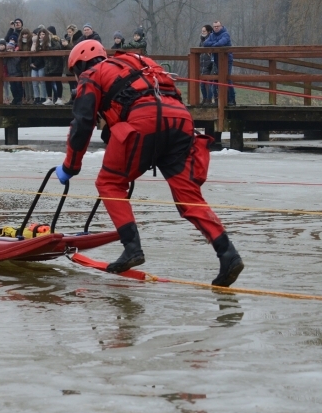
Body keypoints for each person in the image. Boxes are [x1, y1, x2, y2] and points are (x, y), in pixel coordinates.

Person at [54, 40, 244, 287]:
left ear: (80, 65)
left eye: (75, 73)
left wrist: (70, 167)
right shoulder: (138, 64)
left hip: (145, 120)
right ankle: (228, 254)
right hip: (180, 121)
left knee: (109, 182)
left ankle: (132, 249)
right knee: (189, 198)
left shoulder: (91, 74)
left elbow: (82, 125)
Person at [203, 20, 236, 106]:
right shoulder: (211, 35)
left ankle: (231, 99)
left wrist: (213, 44)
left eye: (218, 26)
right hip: (216, 60)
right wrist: (215, 44)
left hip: (227, 60)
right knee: (216, 79)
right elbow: (205, 44)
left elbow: (221, 43)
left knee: (227, 79)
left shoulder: (225, 34)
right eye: (214, 26)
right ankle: (217, 100)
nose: (216, 28)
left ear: (221, 26)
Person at [44, 26, 65, 105]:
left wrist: (48, 48)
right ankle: (49, 98)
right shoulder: (45, 40)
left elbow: (58, 47)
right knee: (47, 81)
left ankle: (59, 98)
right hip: (48, 64)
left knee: (58, 81)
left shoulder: (55, 39)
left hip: (56, 64)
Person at [30, 28, 48, 104]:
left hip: (41, 65)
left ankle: (43, 97)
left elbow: (42, 56)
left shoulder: (46, 43)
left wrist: (35, 64)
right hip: (33, 65)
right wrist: (30, 63)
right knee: (34, 82)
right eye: (40, 34)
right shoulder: (34, 43)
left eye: (43, 34)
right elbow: (30, 54)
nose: (41, 36)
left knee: (42, 82)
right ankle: (36, 97)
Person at [199, 25, 216, 105]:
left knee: (209, 83)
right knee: (202, 84)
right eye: (202, 31)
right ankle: (204, 98)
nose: (202, 33)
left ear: (208, 31)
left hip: (209, 64)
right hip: (202, 65)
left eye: (204, 31)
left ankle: (209, 99)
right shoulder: (201, 41)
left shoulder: (211, 39)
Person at [4, 39, 23, 105]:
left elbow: (17, 62)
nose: (9, 50)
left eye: (10, 49)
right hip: (10, 74)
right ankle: (15, 99)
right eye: (8, 49)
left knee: (18, 87)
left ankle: (19, 99)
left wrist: (13, 55)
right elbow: (4, 63)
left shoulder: (16, 56)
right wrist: (6, 56)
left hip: (17, 73)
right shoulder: (7, 57)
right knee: (12, 88)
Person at [19, 28, 35, 104]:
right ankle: (27, 98)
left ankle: (31, 97)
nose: (24, 36)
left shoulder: (31, 42)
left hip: (29, 63)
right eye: (23, 34)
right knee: (25, 82)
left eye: (26, 34)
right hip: (23, 63)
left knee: (30, 81)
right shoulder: (20, 43)